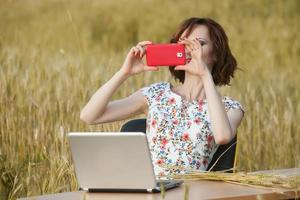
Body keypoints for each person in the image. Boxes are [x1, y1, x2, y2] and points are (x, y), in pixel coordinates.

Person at [80, 17, 245, 177]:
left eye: (199, 44)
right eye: (184, 44)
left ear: (216, 53)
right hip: (149, 191)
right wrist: (124, 73)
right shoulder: (156, 94)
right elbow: (89, 116)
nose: (190, 50)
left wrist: (205, 75)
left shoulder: (230, 107)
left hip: (190, 192)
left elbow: (222, 136)